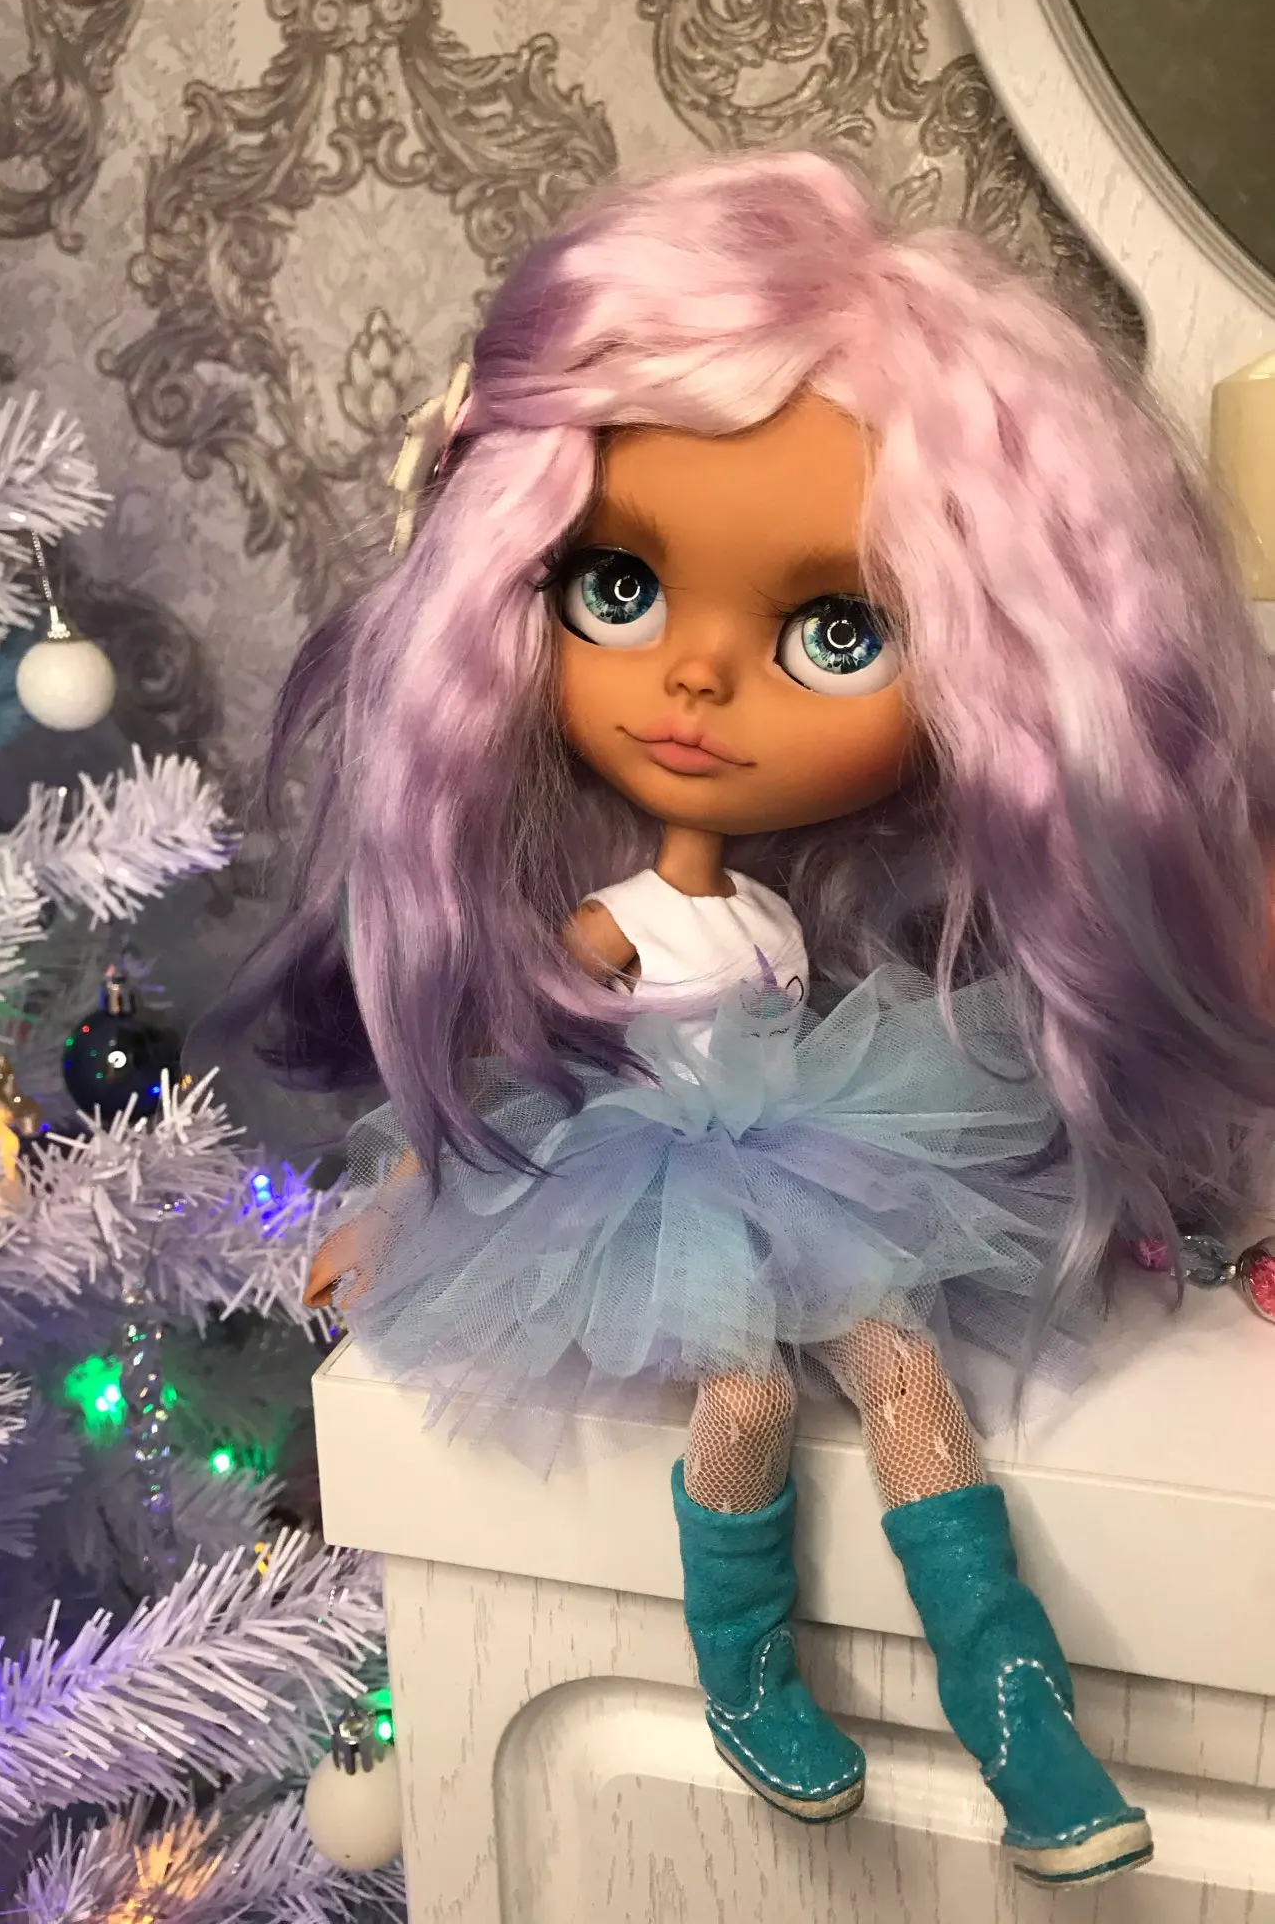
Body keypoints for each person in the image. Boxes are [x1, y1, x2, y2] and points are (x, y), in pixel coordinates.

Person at [233, 152, 1275, 1886]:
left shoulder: (791, 919)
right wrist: (412, 1198)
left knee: (909, 1378)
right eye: (620, 590)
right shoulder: (610, 926)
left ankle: (1020, 1711)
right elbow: (499, 1066)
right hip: (648, 1190)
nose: (700, 679)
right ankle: (747, 1680)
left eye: (836, 629)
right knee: (747, 1401)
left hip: (825, 1156)